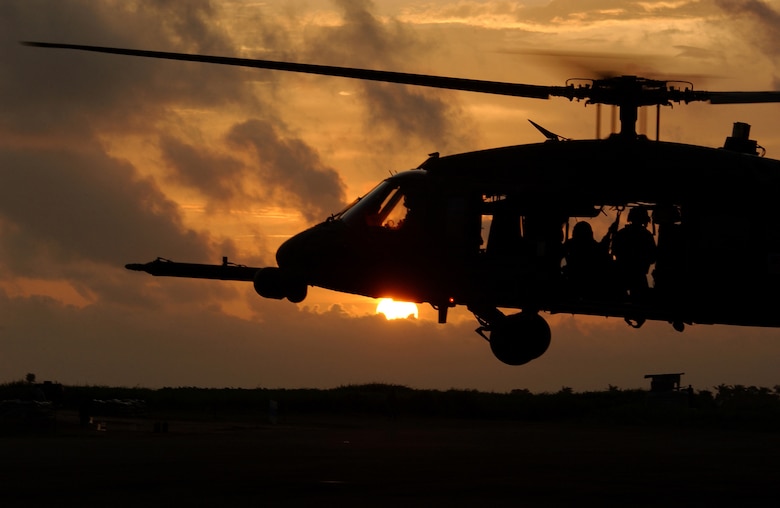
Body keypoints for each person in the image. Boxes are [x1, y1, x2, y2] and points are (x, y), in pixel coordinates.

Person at [611, 206, 657, 298]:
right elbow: (653, 257)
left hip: (622, 274)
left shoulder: (622, 233)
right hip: (638, 276)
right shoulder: (646, 236)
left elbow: (614, 251)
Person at [562, 221, 612, 295]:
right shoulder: (571, 244)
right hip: (578, 282)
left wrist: (609, 233)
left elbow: (601, 249)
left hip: (581, 282)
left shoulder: (571, 244)